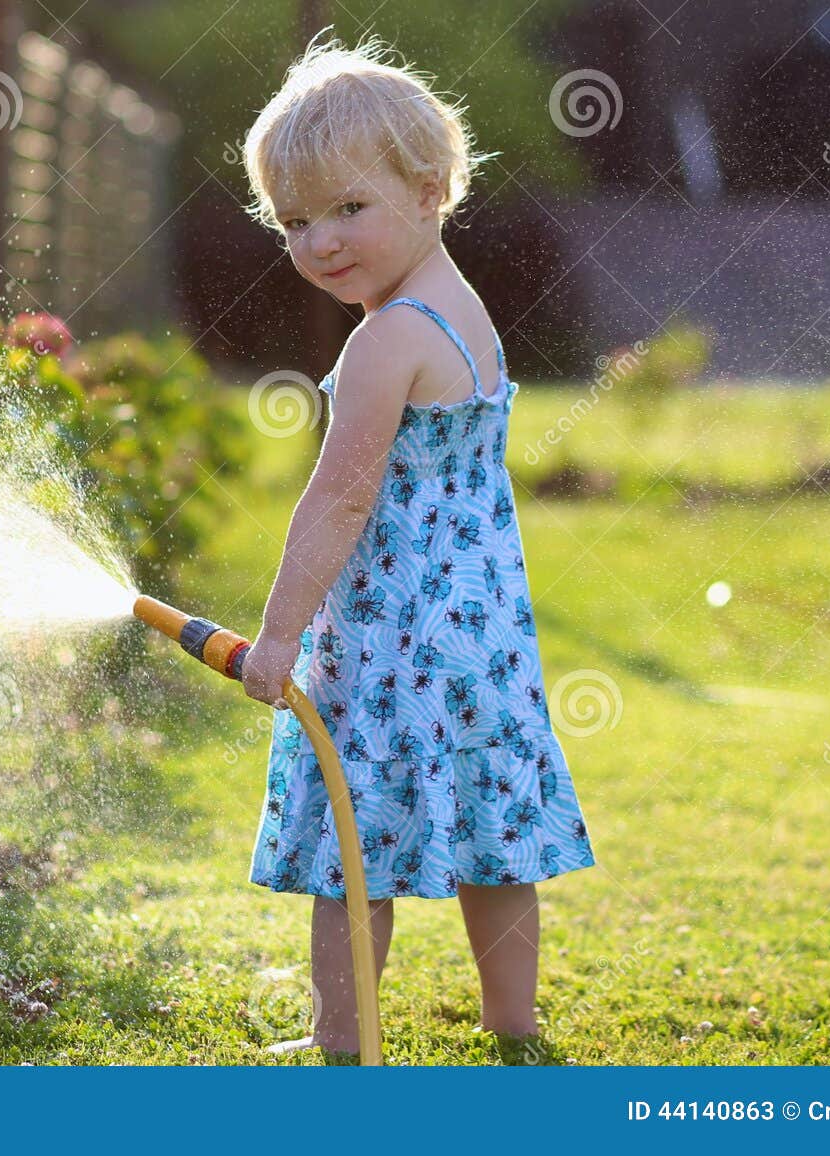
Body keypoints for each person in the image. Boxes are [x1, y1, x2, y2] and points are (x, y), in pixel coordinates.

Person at [237, 33, 599, 1065]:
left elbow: (339, 499)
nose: (319, 242)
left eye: (347, 208)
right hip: (481, 628)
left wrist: (276, 633)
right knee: (492, 830)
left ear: (432, 186)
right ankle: (512, 1022)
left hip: (392, 636)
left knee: (349, 849)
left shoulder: (383, 340)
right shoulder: (460, 315)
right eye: (295, 221)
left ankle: (339, 1036)